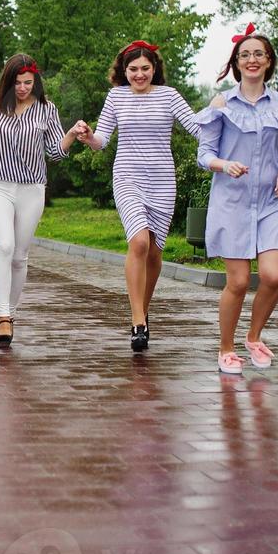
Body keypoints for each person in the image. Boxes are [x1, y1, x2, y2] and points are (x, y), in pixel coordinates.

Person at [0, 54, 88, 346]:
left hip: (32, 189)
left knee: (20, 256)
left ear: (35, 82)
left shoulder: (47, 109)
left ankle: (11, 312)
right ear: (7, 82)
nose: (22, 88)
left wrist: (71, 133)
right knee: (4, 246)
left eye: (28, 83)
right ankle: (3, 317)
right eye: (17, 82)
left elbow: (56, 152)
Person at [196, 25, 278, 376]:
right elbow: (204, 154)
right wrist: (224, 165)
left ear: (268, 61)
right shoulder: (222, 104)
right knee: (239, 282)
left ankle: (253, 337)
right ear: (236, 63)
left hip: (272, 200)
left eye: (259, 54)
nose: (252, 60)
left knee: (273, 276)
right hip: (233, 201)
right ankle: (226, 349)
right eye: (245, 55)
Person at [85, 41, 200, 353]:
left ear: (154, 69)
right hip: (127, 177)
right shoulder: (116, 97)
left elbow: (198, 129)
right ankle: (138, 322)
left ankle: (143, 311)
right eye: (133, 69)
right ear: (124, 71)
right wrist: (87, 136)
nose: (139, 74)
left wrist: (220, 110)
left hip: (162, 181)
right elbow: (101, 141)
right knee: (138, 242)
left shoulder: (169, 95)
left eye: (144, 69)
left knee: (154, 253)